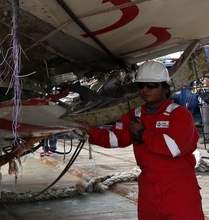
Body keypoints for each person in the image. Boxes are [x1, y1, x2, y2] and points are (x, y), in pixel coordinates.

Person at [81, 60, 204, 219]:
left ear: (165, 88)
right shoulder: (135, 114)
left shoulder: (180, 115)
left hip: (178, 188)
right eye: (141, 85)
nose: (145, 90)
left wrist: (141, 133)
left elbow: (173, 147)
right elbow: (116, 138)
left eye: (151, 85)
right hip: (149, 190)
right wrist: (90, 131)